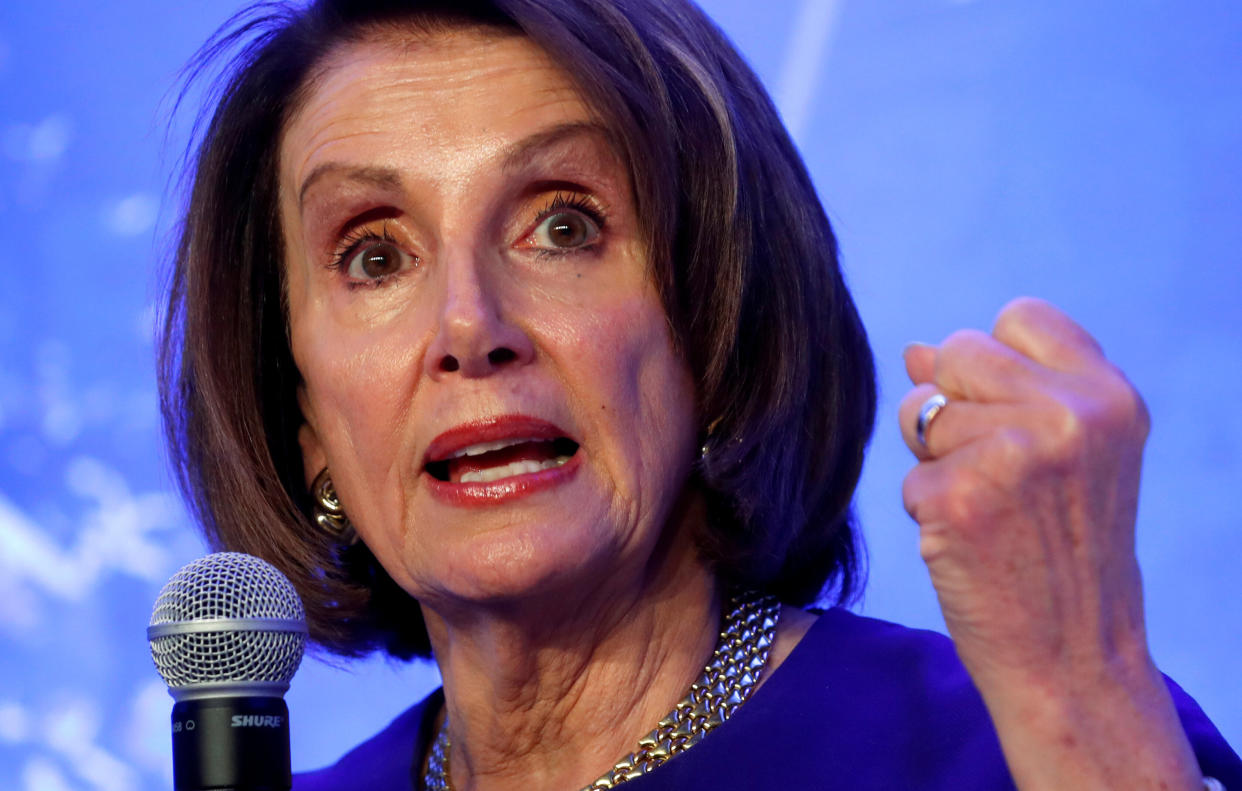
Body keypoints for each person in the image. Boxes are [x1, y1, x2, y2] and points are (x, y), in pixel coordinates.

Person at [158, 0, 1240, 788]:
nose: (468, 327)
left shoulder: (1010, 744)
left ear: (717, 335)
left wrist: (1085, 700)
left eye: (564, 225)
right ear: (305, 427)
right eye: (374, 256)